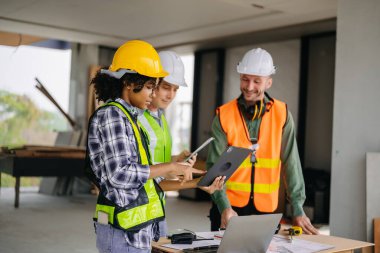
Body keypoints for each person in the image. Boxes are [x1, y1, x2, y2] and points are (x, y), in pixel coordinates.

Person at [86, 40, 205, 253]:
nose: (153, 94)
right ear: (130, 83)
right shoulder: (113, 115)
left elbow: (144, 173)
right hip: (121, 229)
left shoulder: (128, 117)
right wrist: (170, 168)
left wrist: (181, 169)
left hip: (136, 226)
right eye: (151, 86)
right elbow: (119, 174)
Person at [206, 48, 319, 235]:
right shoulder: (224, 115)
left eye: (257, 81)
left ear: (268, 82)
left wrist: (297, 208)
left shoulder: (282, 115)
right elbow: (214, 166)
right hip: (228, 208)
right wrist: (224, 206)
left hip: (266, 210)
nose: (249, 87)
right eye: (245, 79)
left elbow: (291, 162)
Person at [138, 50, 225, 237]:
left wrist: (176, 160)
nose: (171, 95)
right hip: (138, 214)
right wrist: (197, 183)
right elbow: (151, 180)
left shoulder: (159, 118)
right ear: (152, 84)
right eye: (166, 87)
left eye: (176, 89)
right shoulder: (138, 120)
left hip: (156, 210)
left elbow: (155, 164)